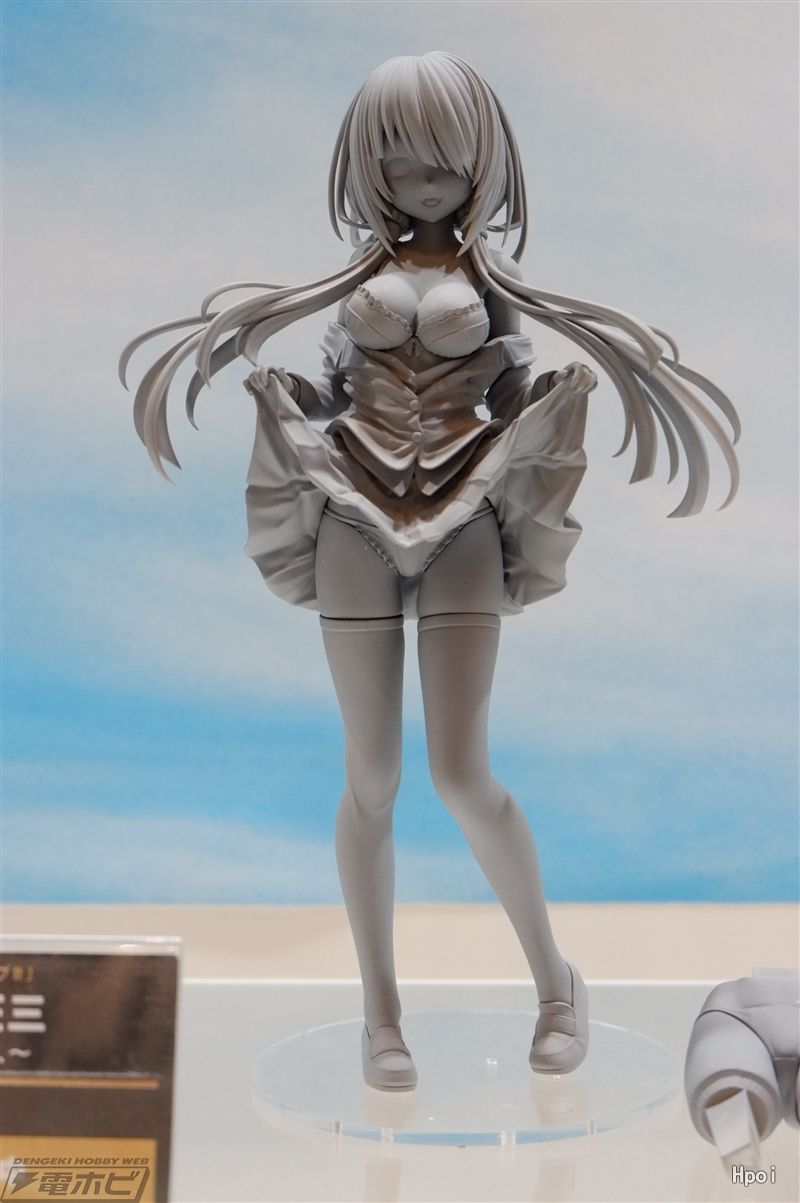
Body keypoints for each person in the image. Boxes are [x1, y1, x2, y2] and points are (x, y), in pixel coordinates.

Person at [121, 52, 739, 1091]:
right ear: (367, 163)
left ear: (482, 160)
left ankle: (557, 985)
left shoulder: (491, 287)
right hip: (352, 516)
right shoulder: (350, 283)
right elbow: (333, 379)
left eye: (444, 159)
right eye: (399, 159)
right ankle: (381, 1014)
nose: (422, 180)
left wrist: (547, 407)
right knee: (371, 777)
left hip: (461, 516)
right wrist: (293, 403)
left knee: (460, 773)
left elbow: (508, 390)